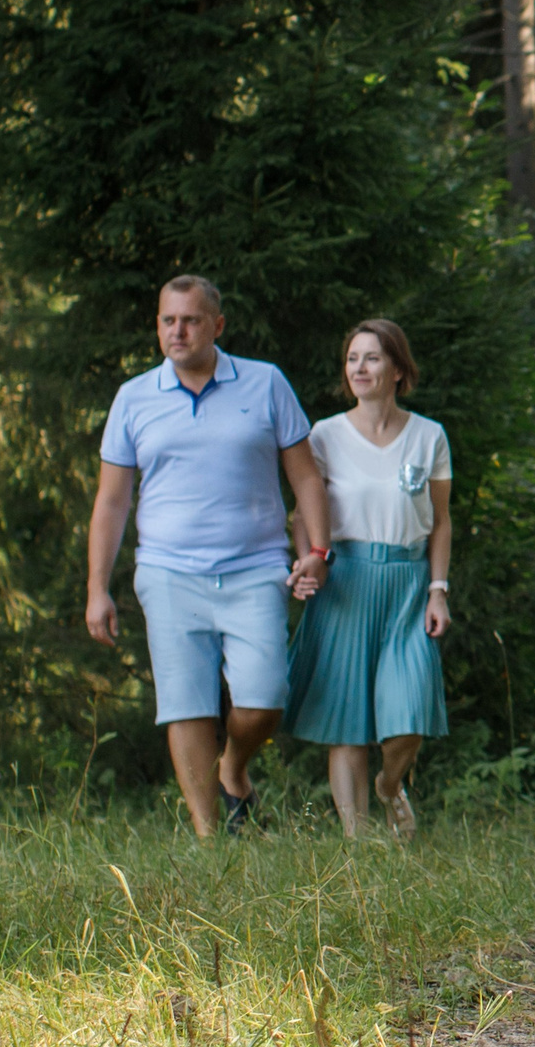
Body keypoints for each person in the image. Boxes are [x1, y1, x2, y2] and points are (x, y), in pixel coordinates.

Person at [87, 274, 329, 837]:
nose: (179, 331)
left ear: (216, 326)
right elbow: (112, 500)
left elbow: (306, 478)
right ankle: (208, 838)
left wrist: (317, 550)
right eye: (168, 320)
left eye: (191, 320)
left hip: (255, 569)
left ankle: (234, 766)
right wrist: (98, 587)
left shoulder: (265, 384)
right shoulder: (134, 398)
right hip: (169, 573)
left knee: (266, 696)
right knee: (185, 704)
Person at [283, 319, 452, 837]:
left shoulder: (429, 436)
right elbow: (301, 516)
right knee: (346, 723)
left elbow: (441, 521)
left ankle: (388, 784)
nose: (360, 368)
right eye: (353, 358)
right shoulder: (325, 436)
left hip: (406, 584)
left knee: (411, 708)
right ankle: (359, 849)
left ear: (398, 369)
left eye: (372, 358)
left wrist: (437, 591)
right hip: (345, 583)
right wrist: (306, 562)